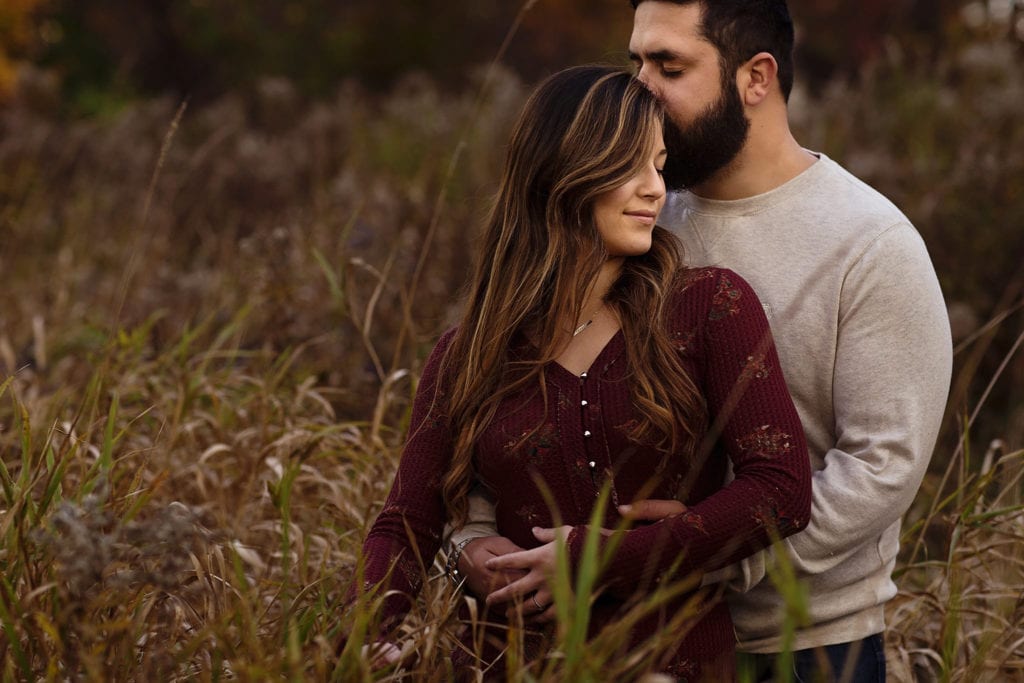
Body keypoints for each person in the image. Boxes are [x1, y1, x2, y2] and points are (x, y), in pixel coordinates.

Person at [450, 2, 953, 682]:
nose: (641, 87)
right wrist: (473, 533)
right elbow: (517, 389)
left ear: (756, 77)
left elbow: (880, 465)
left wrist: (694, 554)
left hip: (804, 647)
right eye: (636, 61)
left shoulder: (870, 244)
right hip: (622, 641)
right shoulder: (633, 214)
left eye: (670, 66)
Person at [347, 65, 812, 679]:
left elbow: (781, 490)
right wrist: (363, 635)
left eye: (660, 165)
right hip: (507, 665)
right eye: (631, 167)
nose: (655, 189)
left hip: (671, 663)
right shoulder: (468, 354)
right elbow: (407, 522)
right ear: (564, 173)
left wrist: (612, 558)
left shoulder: (709, 308)